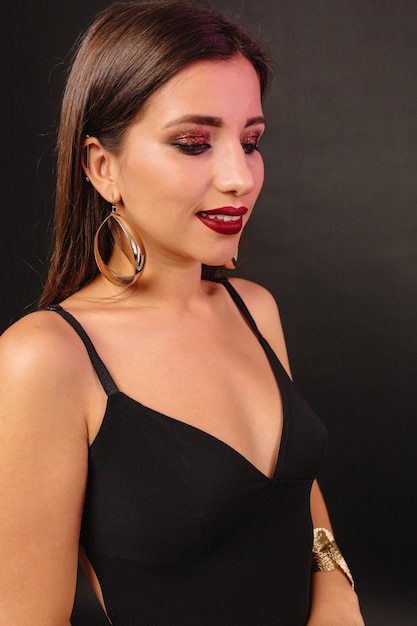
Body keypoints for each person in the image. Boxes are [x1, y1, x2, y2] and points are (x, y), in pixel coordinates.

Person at [0, 1, 365, 624]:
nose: (239, 178)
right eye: (194, 143)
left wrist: (338, 592)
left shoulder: (256, 310)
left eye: (250, 142)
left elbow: (295, 494)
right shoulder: (47, 357)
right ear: (102, 167)